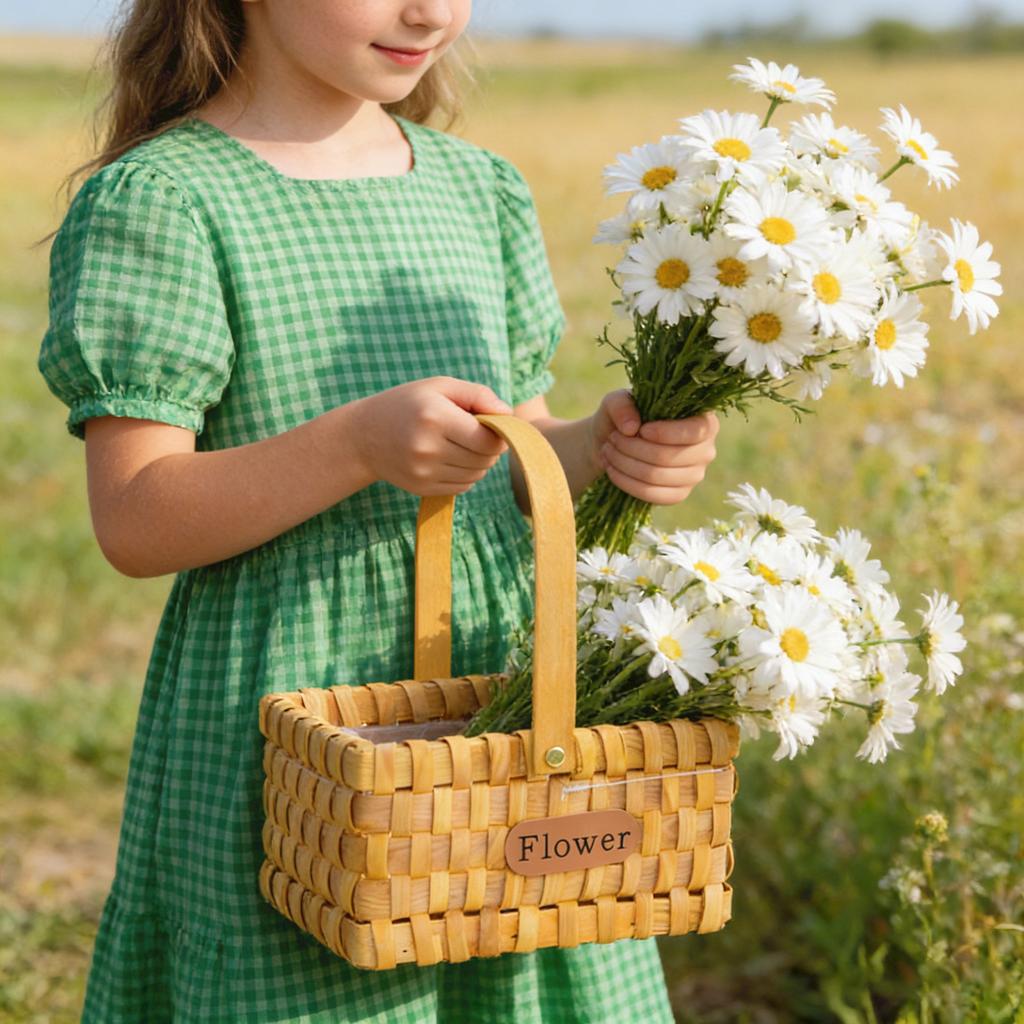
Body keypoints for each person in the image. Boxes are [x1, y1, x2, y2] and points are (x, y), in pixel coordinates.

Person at [36, 1, 721, 1021]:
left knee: (518, 941)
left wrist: (603, 447)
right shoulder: (166, 200)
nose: (432, 10)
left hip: (497, 687)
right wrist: (355, 446)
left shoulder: (476, 188)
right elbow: (137, 519)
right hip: (293, 702)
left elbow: (517, 451)